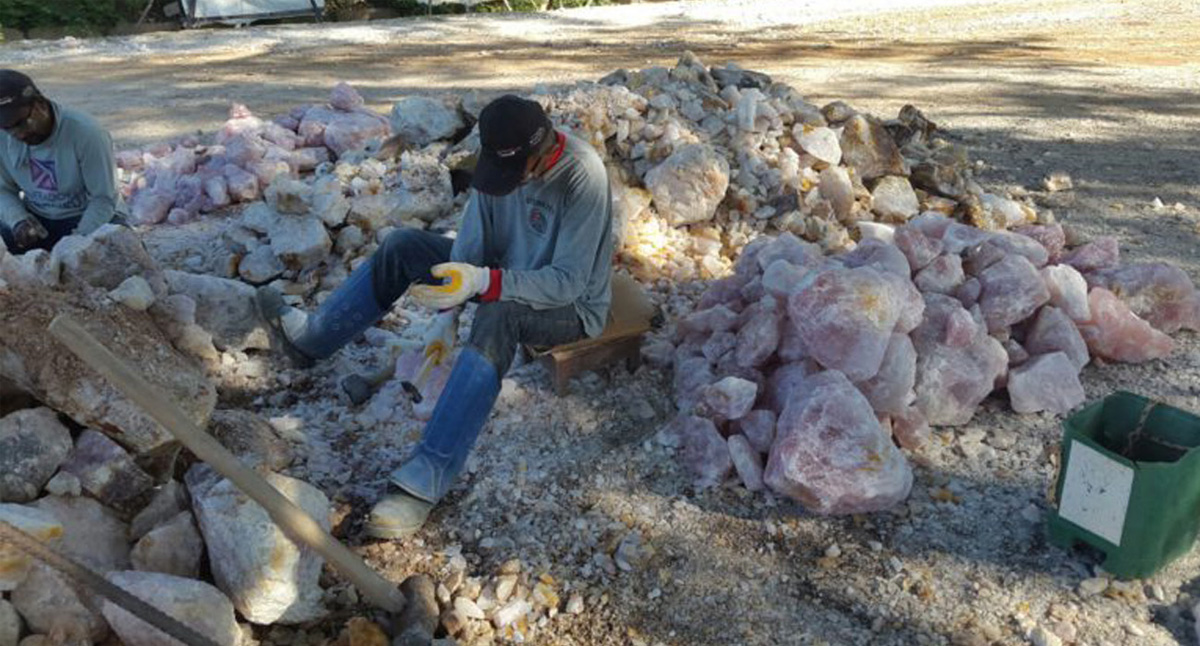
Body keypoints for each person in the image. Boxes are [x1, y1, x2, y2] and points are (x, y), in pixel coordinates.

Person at [258, 95, 614, 538]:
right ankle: (312, 339)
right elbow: (472, 241)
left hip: (568, 307)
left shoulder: (583, 177)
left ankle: (425, 479)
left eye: (514, 171)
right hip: (499, 275)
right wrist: (448, 308)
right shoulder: (499, 167)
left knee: (498, 317)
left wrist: (483, 283)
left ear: (539, 155)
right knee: (404, 247)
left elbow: (568, 282)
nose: (504, 181)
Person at [0, 70, 124, 254]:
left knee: (120, 256)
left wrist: (78, 240)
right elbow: (3, 190)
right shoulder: (4, 136)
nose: (18, 134)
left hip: (91, 217)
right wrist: (18, 220)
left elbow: (103, 199)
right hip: (39, 220)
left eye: (21, 123)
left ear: (40, 104)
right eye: (6, 128)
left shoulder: (86, 133)